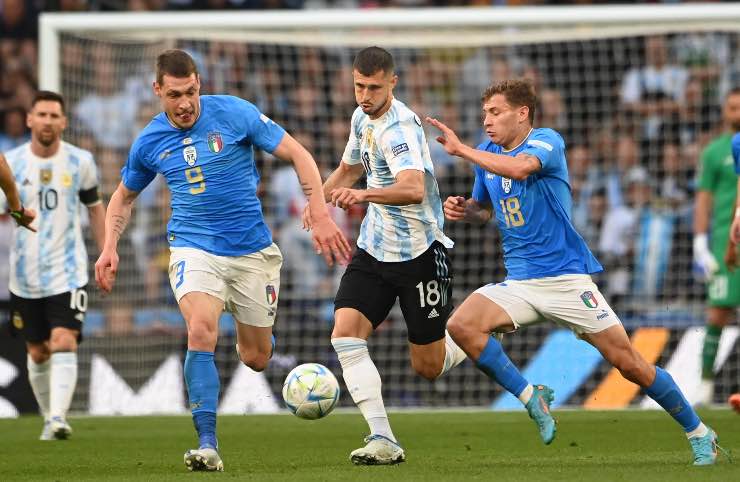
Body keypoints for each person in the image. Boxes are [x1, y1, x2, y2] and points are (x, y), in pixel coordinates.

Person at [426, 79, 726, 466]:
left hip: (566, 280)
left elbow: (520, 170)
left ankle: (700, 432)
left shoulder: (547, 141)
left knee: (629, 363)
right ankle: (532, 397)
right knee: (462, 325)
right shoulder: (486, 154)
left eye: (495, 112)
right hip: (520, 282)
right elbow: (484, 211)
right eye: (484, 113)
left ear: (523, 114)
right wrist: (464, 210)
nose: (486, 120)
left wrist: (462, 151)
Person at [94, 49, 350, 473]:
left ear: (200, 84)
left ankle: (243, 334)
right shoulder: (149, 142)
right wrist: (109, 245)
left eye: (191, 91)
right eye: (175, 94)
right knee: (200, 327)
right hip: (194, 248)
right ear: (158, 90)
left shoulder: (234, 112)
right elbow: (122, 197)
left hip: (252, 252)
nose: (185, 103)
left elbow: (299, 154)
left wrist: (319, 211)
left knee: (256, 357)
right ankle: (207, 444)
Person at [304, 46, 465, 466]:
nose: (365, 95)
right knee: (345, 334)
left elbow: (412, 189)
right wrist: (318, 203)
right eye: (359, 86)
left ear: (393, 83)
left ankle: (477, 331)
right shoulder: (361, 117)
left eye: (374, 87)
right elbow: (350, 166)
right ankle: (382, 437)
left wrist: (362, 196)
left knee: (428, 366)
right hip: (374, 249)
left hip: (420, 254)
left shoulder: (401, 131)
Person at [2, 91, 105, 440]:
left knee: (64, 340)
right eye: (41, 114)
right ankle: (50, 416)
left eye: (53, 115)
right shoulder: (11, 163)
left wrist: (106, 251)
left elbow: (94, 207)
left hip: (69, 270)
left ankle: (59, 417)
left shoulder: (81, 162)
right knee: (38, 349)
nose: (47, 120)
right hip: (24, 274)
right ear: (30, 119)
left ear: (63, 122)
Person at [692, 88, 740, 406]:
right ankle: (705, 385)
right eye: (732, 106)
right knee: (718, 312)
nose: (736, 112)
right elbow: (704, 198)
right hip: (727, 238)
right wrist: (700, 242)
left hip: (734, 233)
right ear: (724, 110)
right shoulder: (715, 151)